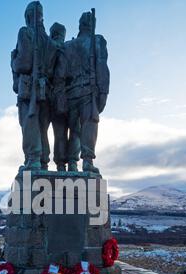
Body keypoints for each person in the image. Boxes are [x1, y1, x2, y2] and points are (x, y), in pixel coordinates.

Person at [11, 1, 57, 171]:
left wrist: (13, 61)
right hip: (47, 90)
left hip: (30, 88)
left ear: (28, 16)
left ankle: (33, 159)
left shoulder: (25, 32)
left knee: (30, 123)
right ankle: (44, 161)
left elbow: (23, 63)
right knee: (43, 128)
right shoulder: (50, 41)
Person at [63, 11, 110, 173]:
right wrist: (104, 93)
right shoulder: (97, 41)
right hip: (88, 92)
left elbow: (61, 72)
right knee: (89, 125)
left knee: (74, 130)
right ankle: (87, 161)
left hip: (70, 93)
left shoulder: (68, 45)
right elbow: (102, 68)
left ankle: (72, 163)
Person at [50, 23, 80, 172]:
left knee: (60, 133)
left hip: (56, 97)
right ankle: (73, 163)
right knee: (75, 130)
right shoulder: (70, 48)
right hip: (74, 95)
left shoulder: (50, 47)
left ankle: (61, 164)